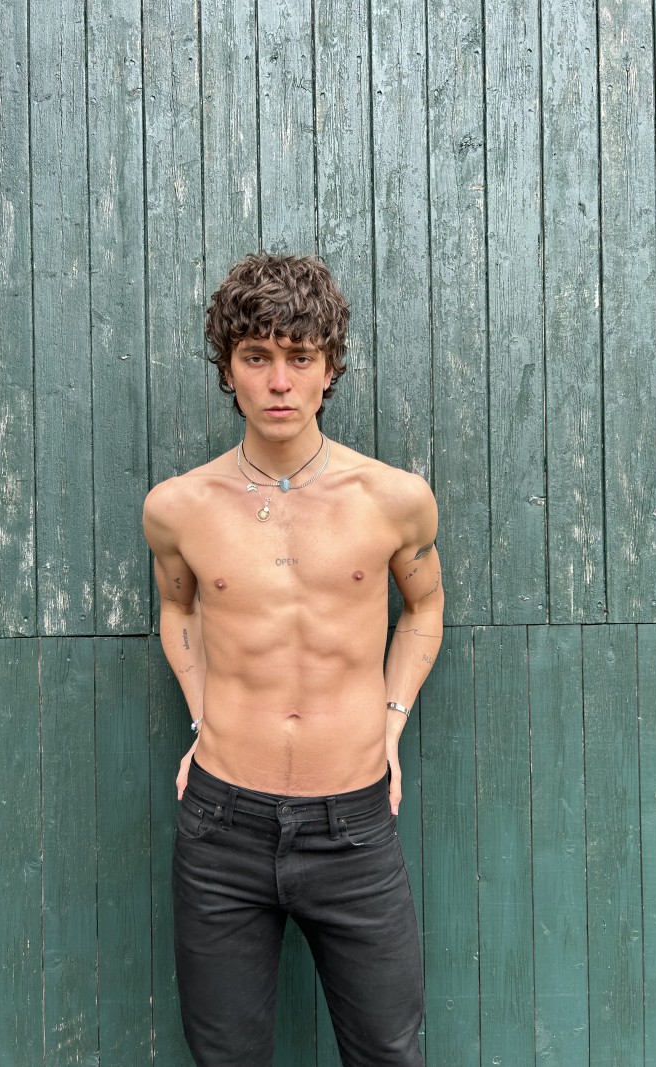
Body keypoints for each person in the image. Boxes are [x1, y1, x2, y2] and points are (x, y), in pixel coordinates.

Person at [142, 252, 444, 1066]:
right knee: (226, 1057)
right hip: (221, 826)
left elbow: (425, 608)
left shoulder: (394, 499)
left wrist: (390, 724)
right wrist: (202, 717)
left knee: (389, 1052)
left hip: (354, 825)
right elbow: (178, 609)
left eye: (300, 357)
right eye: (256, 356)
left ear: (329, 368)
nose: (279, 381)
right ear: (227, 369)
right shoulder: (177, 508)